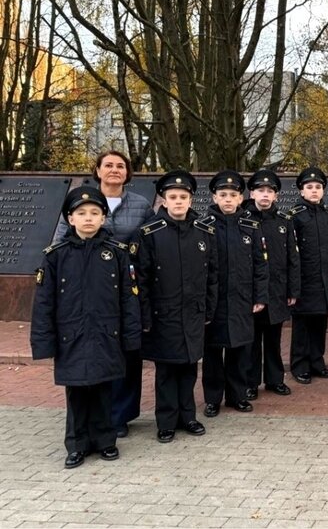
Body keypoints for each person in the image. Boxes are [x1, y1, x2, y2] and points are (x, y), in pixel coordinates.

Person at [31, 187, 141, 468]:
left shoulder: (116, 253)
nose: (88, 219)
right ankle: (77, 444)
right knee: (77, 392)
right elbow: (44, 302)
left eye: (95, 213)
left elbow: (129, 297)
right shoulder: (56, 256)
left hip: (107, 334)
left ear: (104, 218)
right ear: (70, 219)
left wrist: (131, 336)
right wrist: (45, 342)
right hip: (72, 335)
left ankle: (105, 441)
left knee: (105, 390)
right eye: (81, 214)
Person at [53, 151, 154, 439]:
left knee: (127, 351)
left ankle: (121, 416)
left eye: (120, 166)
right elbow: (62, 241)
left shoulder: (141, 205)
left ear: (128, 173)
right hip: (88, 287)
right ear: (97, 170)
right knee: (96, 351)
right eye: (108, 165)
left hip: (126, 287)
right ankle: (96, 416)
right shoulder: (80, 200)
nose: (114, 170)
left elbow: (149, 244)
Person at [135, 170, 216, 443]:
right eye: (173, 197)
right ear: (164, 200)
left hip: (193, 312)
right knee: (167, 371)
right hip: (163, 314)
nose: (179, 201)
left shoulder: (204, 232)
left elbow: (212, 275)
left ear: (191, 200)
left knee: (190, 367)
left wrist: (209, 308)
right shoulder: (149, 233)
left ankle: (188, 416)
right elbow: (142, 279)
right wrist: (145, 316)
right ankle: (166, 421)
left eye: (184, 197)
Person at [202, 171, 269, 417]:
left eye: (233, 195)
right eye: (223, 195)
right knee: (212, 353)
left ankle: (237, 396)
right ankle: (212, 399)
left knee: (240, 351)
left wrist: (260, 297)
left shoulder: (251, 227)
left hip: (242, 300)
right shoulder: (204, 227)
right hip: (215, 301)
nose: (228, 199)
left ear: (241, 198)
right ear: (214, 197)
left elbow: (261, 265)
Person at [244, 170, 300, 399]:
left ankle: (275, 380)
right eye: (260, 191)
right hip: (252, 291)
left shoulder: (284, 221)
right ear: (252, 193)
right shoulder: (244, 219)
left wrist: (293, 290)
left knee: (274, 340)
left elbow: (293, 258)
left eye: (270, 191)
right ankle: (250, 382)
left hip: (277, 290)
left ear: (276, 196)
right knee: (252, 341)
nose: (265, 195)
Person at [288, 167, 328, 383]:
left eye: (318, 187)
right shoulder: (295, 216)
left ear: (323, 191)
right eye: (309, 187)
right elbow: (291, 253)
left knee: (320, 324)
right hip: (304, 280)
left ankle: (317, 362)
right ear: (302, 191)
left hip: (324, 279)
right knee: (302, 326)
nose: (314, 191)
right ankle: (299, 366)